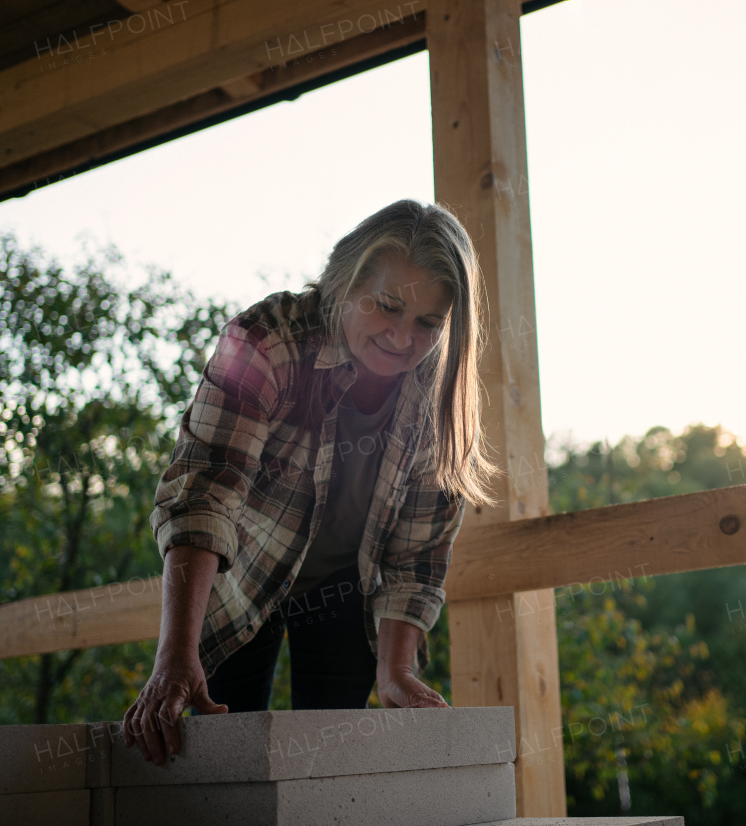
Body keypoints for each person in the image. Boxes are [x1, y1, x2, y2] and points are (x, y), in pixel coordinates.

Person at [122, 199, 499, 765]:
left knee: (330, 764)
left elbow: (416, 557)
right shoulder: (264, 342)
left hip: (347, 589)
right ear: (343, 282)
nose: (402, 339)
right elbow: (205, 492)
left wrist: (395, 671)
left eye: (428, 323)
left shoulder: (439, 391)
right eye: (387, 307)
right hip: (239, 572)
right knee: (225, 752)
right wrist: (175, 654)